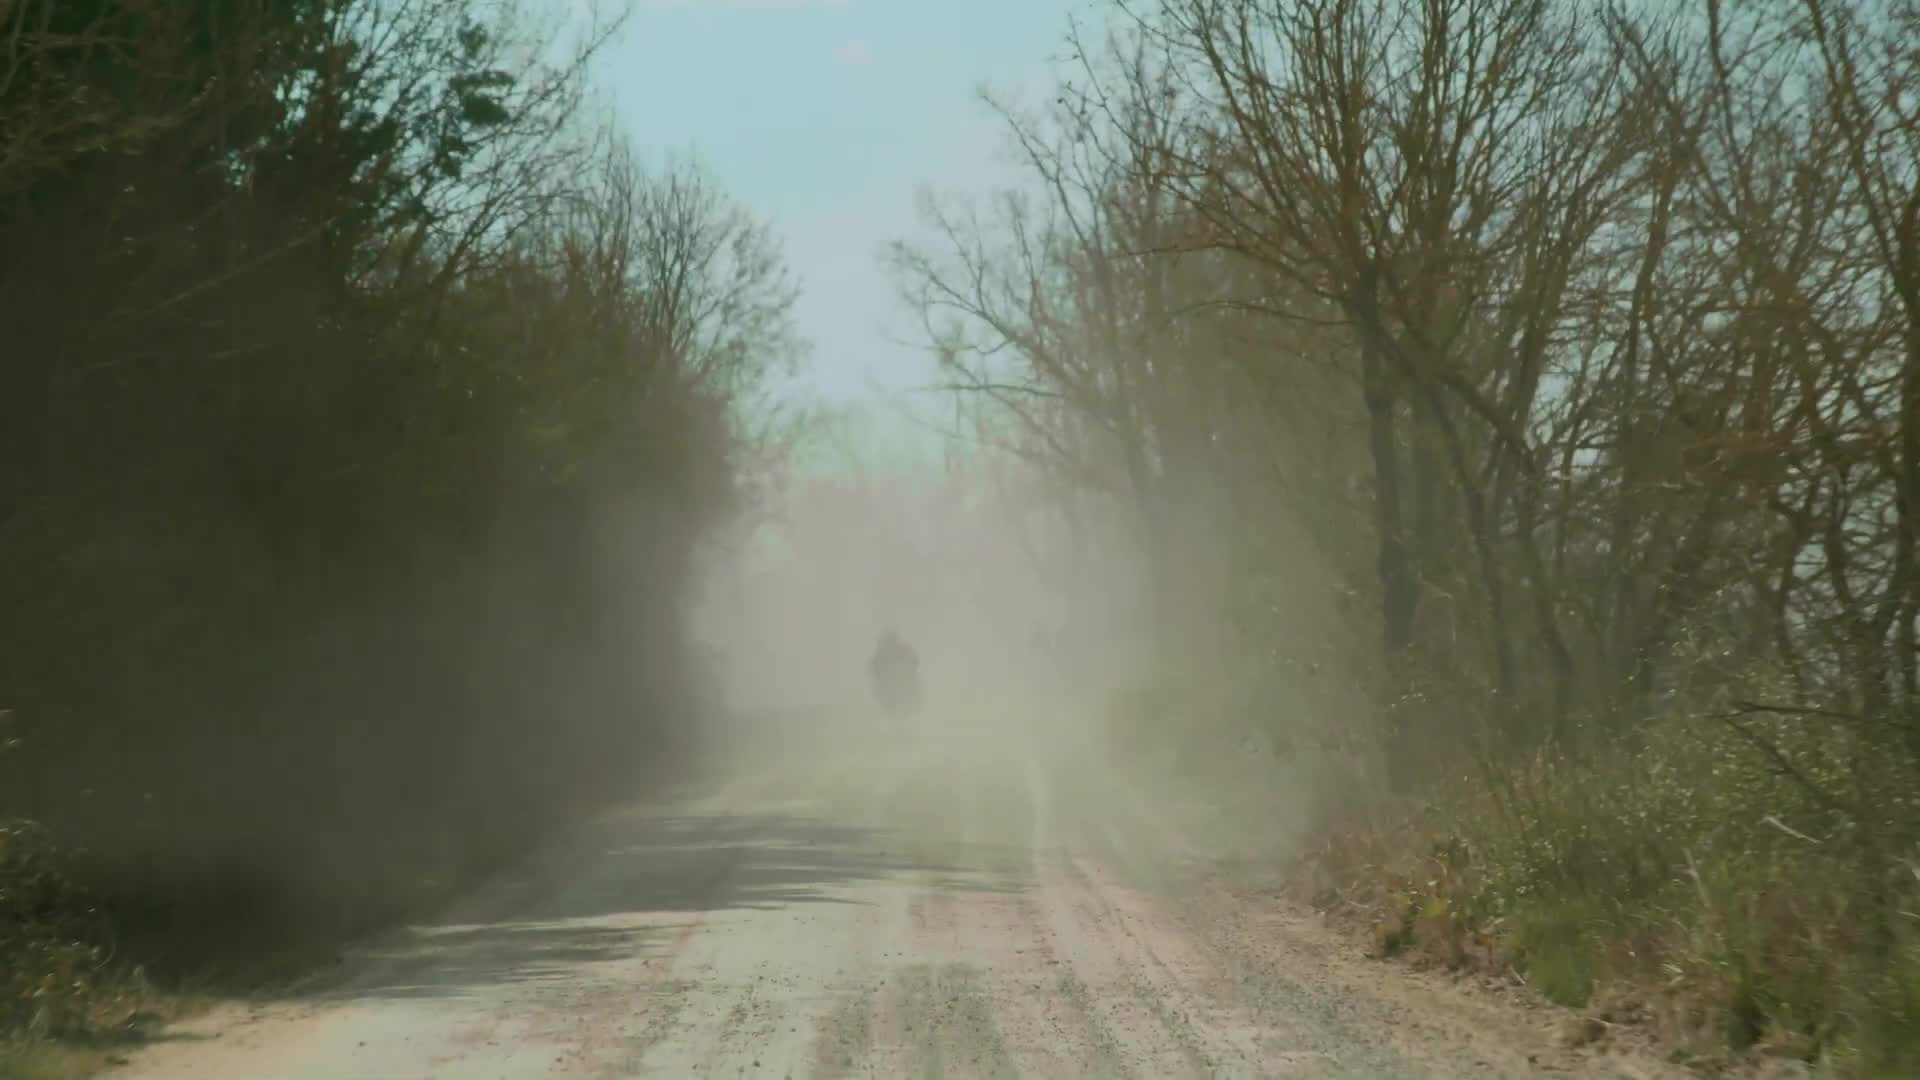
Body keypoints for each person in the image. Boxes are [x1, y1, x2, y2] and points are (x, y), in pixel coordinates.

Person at [868, 626, 921, 717]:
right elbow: (872, 668)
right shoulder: (882, 653)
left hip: (904, 686)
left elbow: (914, 662)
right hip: (890, 688)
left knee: (905, 706)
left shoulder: (903, 649)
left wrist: (907, 673)